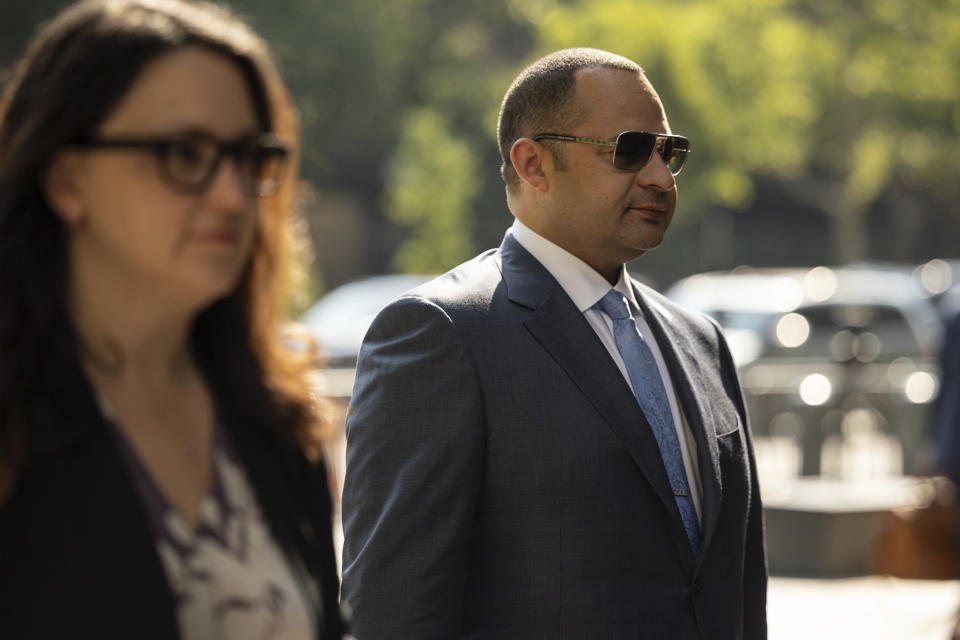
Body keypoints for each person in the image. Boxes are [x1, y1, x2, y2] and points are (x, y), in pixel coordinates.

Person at [341, 47, 768, 639]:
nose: (658, 178)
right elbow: (392, 609)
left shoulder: (702, 343)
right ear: (534, 164)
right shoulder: (441, 333)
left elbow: (732, 588)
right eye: (630, 150)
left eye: (668, 153)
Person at [0, 1, 347, 638]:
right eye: (184, 153)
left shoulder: (277, 419)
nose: (233, 194)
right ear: (65, 179)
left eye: (250, 157)